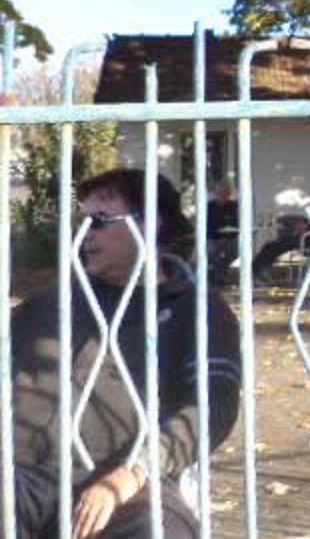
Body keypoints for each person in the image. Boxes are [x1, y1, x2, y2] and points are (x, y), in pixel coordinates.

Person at [10, 168, 241, 539]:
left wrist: (134, 471)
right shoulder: (48, 304)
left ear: (149, 223)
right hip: (22, 476)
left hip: (129, 485)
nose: (87, 233)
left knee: (159, 532)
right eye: (83, 222)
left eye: (100, 220)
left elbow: (212, 407)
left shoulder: (196, 309)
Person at [205, 178, 239, 284]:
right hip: (212, 238)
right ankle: (218, 276)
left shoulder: (234, 206)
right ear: (215, 193)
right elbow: (206, 226)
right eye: (219, 193)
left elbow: (236, 224)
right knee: (211, 252)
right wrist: (216, 238)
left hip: (229, 238)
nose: (222, 195)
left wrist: (226, 237)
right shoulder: (209, 207)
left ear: (229, 194)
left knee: (236, 250)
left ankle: (220, 274)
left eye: (225, 192)